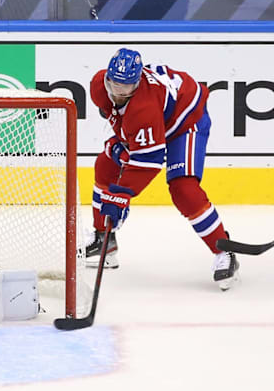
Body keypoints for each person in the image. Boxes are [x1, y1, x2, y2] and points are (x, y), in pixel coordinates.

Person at [87, 48, 239, 291]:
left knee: (183, 189)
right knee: (106, 163)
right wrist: (121, 148)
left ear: (136, 83)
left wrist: (121, 195)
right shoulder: (98, 86)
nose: (118, 92)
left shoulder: (143, 107)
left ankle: (224, 250)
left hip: (185, 120)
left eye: (125, 87)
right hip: (155, 122)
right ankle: (104, 241)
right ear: (107, 77)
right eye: (114, 83)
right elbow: (122, 122)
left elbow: (148, 163)